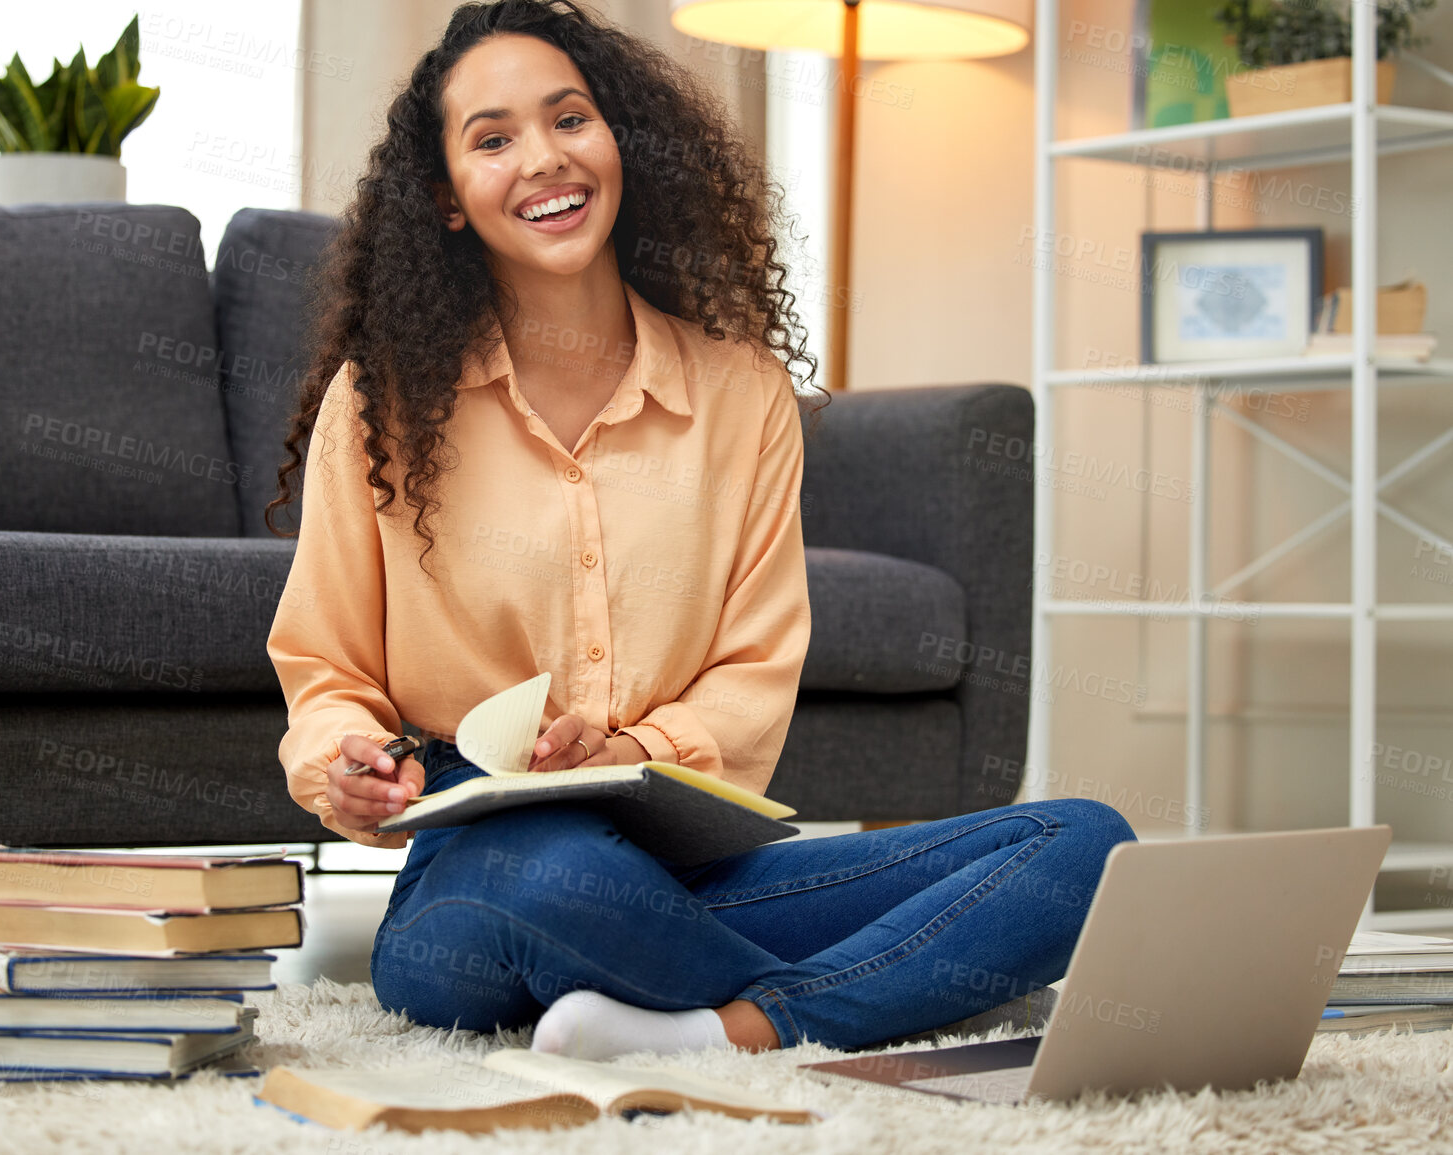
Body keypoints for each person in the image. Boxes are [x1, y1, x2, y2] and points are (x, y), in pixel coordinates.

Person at [266, 0, 1135, 1060]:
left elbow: (751, 668)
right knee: (564, 873)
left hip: (684, 851)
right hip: (486, 858)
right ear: (448, 199)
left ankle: (734, 1027)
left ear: (621, 141)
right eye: (492, 140)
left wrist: (630, 747)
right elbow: (326, 667)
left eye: (569, 119)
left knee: (1085, 844)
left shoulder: (742, 396)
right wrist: (344, 762)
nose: (543, 159)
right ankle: (900, 989)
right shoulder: (384, 400)